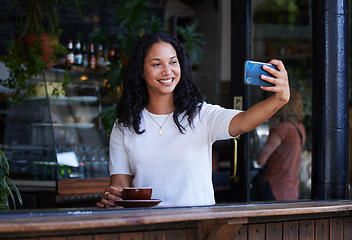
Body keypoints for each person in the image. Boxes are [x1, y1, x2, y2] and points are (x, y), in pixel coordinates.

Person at [97, 32, 290, 207]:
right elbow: (120, 187)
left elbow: (243, 121)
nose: (167, 71)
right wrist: (112, 198)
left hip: (198, 226)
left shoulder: (201, 115)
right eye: (156, 64)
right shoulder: (124, 125)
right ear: (141, 71)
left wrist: (279, 100)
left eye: (173, 62)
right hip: (148, 227)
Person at [255, 88, 306, 201]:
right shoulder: (300, 127)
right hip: (292, 188)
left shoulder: (282, 129)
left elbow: (261, 160)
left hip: (275, 187)